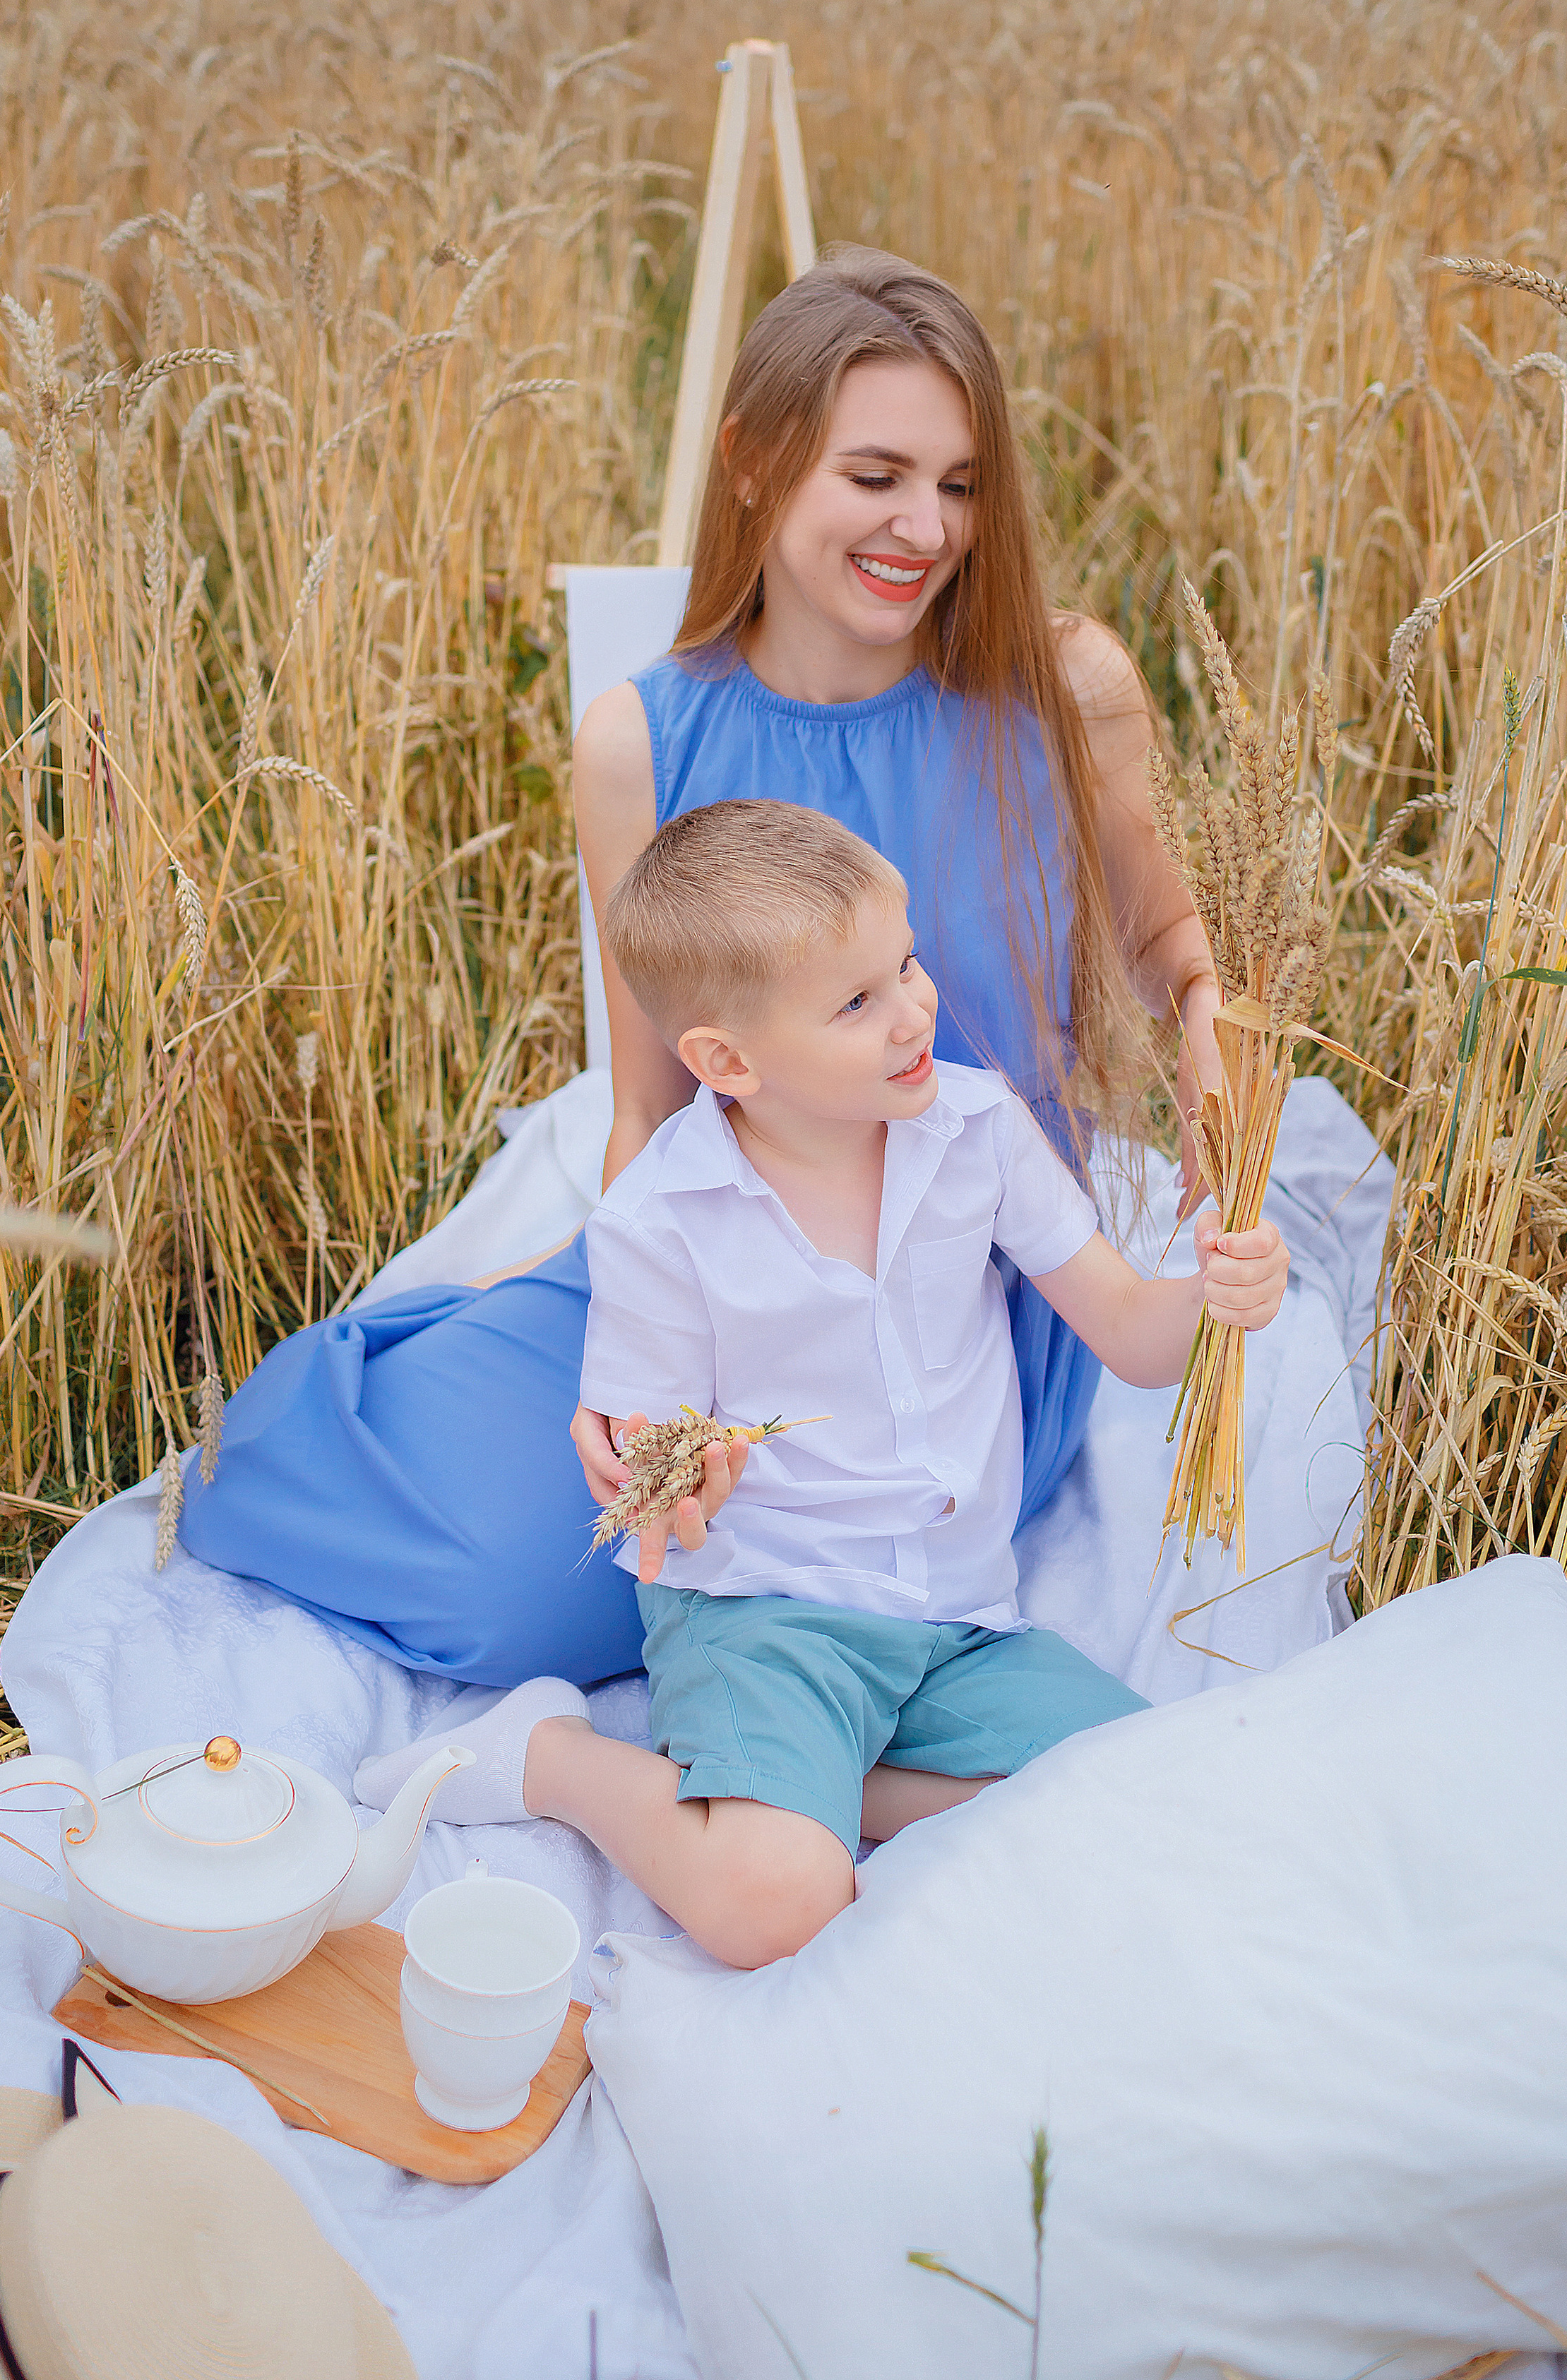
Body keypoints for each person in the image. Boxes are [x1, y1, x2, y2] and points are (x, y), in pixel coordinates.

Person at [180, 246, 1224, 1688]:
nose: (924, 527)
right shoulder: (641, 742)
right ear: (750, 459)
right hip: (720, 1260)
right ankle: (391, 1408)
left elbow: (1168, 942)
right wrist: (632, 1368)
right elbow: (653, 1100)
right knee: (502, 1574)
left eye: (960, 483)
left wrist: (1210, 1022)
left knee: (742, 1589)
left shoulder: (1059, 695)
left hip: (962, 1295)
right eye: (874, 476)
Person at [357, 803, 1287, 1968]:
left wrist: (1214, 1291)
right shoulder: (662, 1217)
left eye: (904, 965)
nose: (913, 1013)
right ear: (727, 1062)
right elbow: (653, 1500)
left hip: (955, 1618)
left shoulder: (977, 1134)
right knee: (775, 1902)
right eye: (856, 1003)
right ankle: (562, 1763)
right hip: (767, 1612)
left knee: (1151, 1788)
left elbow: (1135, 1341)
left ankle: (843, 1783)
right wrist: (686, 1479)